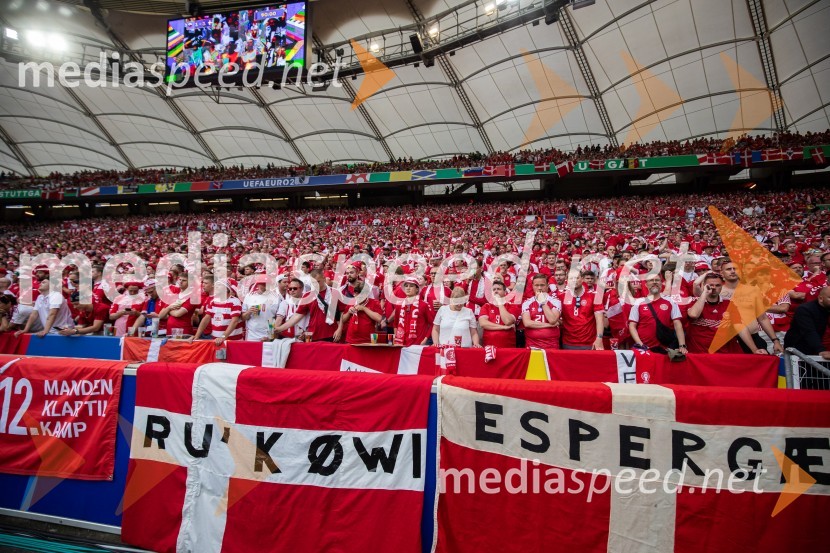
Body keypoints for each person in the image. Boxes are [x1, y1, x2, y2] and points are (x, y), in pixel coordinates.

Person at [686, 273, 765, 354]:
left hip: (723, 353)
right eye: (710, 285)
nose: (714, 288)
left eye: (717, 285)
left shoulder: (729, 304)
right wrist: (705, 293)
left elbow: (740, 327)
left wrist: (754, 349)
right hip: (698, 353)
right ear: (704, 285)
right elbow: (694, 314)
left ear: (722, 286)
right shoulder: (693, 301)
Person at [275, 268, 342, 342]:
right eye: (313, 282)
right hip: (313, 334)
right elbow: (297, 316)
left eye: (318, 281)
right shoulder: (308, 295)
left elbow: (342, 313)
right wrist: (280, 328)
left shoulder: (335, 292)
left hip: (332, 333)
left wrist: (339, 329)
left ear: (324, 278)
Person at [628, 274, 687, 355]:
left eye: (657, 280)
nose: (654, 282)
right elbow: (632, 325)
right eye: (651, 280)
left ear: (661, 284)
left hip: (664, 348)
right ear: (646, 285)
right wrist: (640, 344)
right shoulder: (638, 302)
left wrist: (682, 345)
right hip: (644, 349)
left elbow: (677, 324)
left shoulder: (670, 301)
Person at [557, 270, 605, 350]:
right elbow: (554, 317)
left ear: (582, 279)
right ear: (567, 280)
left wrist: (599, 338)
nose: (574, 280)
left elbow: (600, 320)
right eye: (571, 278)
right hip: (568, 342)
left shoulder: (594, 295)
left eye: (576, 278)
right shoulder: (561, 296)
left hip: (589, 343)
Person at [784, 286, 830, 359]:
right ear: (821, 298)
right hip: (800, 352)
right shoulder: (805, 309)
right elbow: (809, 332)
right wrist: (820, 350)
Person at [193, 279, 244, 345]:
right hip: (216, 340)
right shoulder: (213, 301)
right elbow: (206, 319)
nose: (215, 287)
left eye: (218, 285)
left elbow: (234, 321)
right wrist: (197, 336)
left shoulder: (235, 301)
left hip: (233, 341)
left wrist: (223, 337)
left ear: (226, 289)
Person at [521, 273, 562, 349]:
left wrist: (543, 302)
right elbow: (527, 323)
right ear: (532, 286)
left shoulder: (556, 301)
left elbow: (552, 320)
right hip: (532, 344)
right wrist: (549, 325)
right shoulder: (527, 302)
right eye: (536, 285)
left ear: (547, 286)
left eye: (542, 285)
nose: (539, 288)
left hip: (551, 345)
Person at [478, 281, 520, 348]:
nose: (496, 291)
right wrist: (503, 327)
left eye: (499, 289)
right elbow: (483, 323)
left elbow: (508, 321)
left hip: (508, 347)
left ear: (505, 292)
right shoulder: (486, 306)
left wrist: (500, 302)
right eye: (494, 289)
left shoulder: (512, 306)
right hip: (489, 347)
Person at [340, 280, 383, 344]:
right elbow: (342, 320)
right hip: (351, 339)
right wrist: (349, 312)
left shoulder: (374, 303)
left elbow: (380, 319)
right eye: (355, 294)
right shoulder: (352, 302)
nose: (357, 297)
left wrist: (364, 308)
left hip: (369, 340)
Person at [241, 275, 282, 341]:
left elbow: (277, 318)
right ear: (257, 285)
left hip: (268, 333)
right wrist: (249, 312)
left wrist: (271, 335)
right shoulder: (249, 296)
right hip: (252, 334)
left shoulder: (276, 297)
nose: (265, 286)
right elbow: (243, 318)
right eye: (263, 284)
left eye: (267, 284)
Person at [393, 277, 431, 346]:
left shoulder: (423, 305)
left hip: (418, 344)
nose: (408, 288)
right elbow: (395, 324)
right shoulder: (399, 305)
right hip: (401, 344)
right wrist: (397, 339)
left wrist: (425, 339)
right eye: (406, 286)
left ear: (417, 289)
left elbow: (431, 324)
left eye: (411, 286)